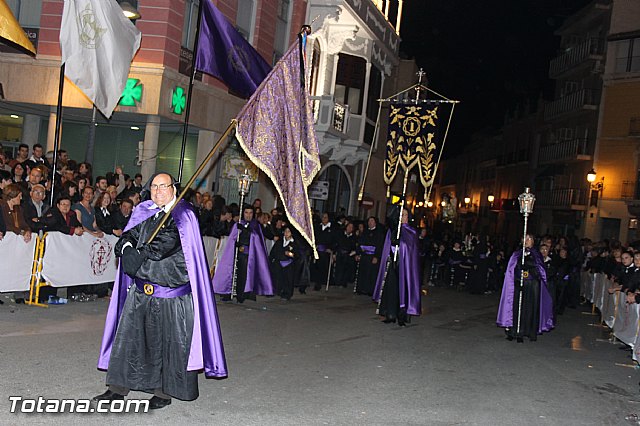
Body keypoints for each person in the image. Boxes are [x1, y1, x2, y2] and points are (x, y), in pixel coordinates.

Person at [95, 172, 227, 408]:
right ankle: (117, 388)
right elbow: (128, 236)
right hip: (140, 291)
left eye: (163, 186)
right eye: (154, 187)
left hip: (169, 294)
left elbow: (163, 245)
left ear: (173, 188)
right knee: (128, 342)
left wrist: (139, 253)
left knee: (166, 346)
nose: (157, 191)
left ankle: (162, 392)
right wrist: (126, 250)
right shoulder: (144, 210)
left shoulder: (184, 214)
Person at [496, 234, 554, 342]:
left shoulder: (536, 254)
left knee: (528, 309)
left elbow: (540, 270)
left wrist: (528, 266)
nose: (526, 241)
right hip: (518, 285)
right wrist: (519, 268)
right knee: (516, 307)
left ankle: (525, 331)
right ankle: (513, 331)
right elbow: (510, 269)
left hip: (531, 286)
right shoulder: (517, 254)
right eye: (524, 239)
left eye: (529, 239)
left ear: (533, 241)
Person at [213, 204, 273, 302]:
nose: (248, 215)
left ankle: (242, 294)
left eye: (250, 213)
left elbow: (257, 240)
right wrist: (236, 241)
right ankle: (229, 292)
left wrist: (246, 230)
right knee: (234, 272)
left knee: (244, 275)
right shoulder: (238, 224)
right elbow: (232, 238)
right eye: (246, 213)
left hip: (249, 255)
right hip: (238, 252)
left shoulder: (256, 225)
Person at [373, 207, 422, 326]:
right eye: (401, 215)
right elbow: (387, 246)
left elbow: (411, 250)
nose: (403, 217)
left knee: (403, 289)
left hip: (404, 266)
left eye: (404, 215)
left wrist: (401, 246)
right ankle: (390, 314)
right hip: (392, 263)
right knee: (391, 288)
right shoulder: (393, 230)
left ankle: (402, 316)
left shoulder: (412, 232)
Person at [269, 226, 299, 300]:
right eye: (285, 231)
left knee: (288, 279)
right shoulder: (280, 241)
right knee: (277, 277)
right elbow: (274, 251)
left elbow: (297, 254)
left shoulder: (294, 243)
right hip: (279, 262)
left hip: (288, 263)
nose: (286, 233)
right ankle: (276, 291)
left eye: (288, 231)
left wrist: (290, 254)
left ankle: (287, 294)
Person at [311, 213, 335, 290]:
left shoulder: (332, 229)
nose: (324, 219)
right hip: (318, 249)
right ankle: (317, 281)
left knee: (324, 264)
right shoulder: (318, 227)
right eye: (323, 217)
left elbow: (334, 240)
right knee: (317, 265)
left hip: (327, 251)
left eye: (325, 217)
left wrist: (330, 248)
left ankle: (323, 281)